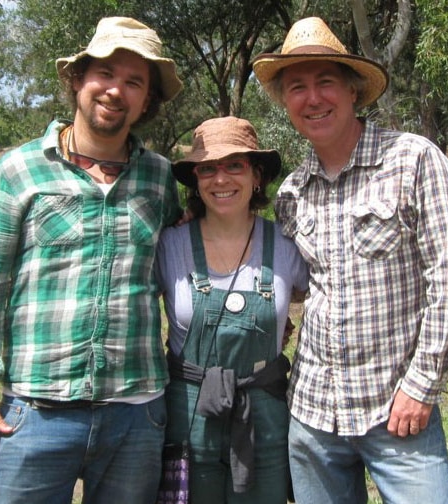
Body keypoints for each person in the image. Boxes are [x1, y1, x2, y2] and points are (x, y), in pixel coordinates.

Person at [0, 17, 184, 504]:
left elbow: (184, 264)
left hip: (137, 413)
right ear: (78, 79)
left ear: (146, 101)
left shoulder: (160, 179)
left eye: (134, 82)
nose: (115, 90)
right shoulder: (17, 171)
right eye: (105, 73)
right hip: (35, 411)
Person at [252, 17, 448, 504]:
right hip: (312, 416)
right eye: (297, 88)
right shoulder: (291, 193)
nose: (312, 98)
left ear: (354, 91)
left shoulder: (413, 160)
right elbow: (293, 286)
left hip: (395, 410)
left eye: (325, 82)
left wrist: (422, 386)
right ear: (285, 104)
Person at [156, 116, 309, 503]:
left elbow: (328, 301)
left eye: (234, 166)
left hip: (263, 416)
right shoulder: (168, 244)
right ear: (195, 179)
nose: (220, 179)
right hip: (188, 414)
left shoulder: (288, 247)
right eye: (208, 168)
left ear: (257, 176)